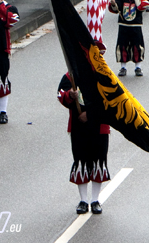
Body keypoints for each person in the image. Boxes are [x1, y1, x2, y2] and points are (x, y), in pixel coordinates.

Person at [57, 72, 110, 215]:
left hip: (99, 125)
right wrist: (70, 95)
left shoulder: (103, 75)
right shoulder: (71, 76)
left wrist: (90, 114)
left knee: (98, 161)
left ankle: (95, 200)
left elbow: (109, 99)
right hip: (78, 125)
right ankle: (83, 200)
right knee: (81, 160)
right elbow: (60, 93)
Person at [109, 0, 149, 77]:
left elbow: (142, 7)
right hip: (124, 26)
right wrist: (113, 3)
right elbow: (116, 9)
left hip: (136, 26)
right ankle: (123, 67)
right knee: (123, 45)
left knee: (137, 45)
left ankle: (138, 67)